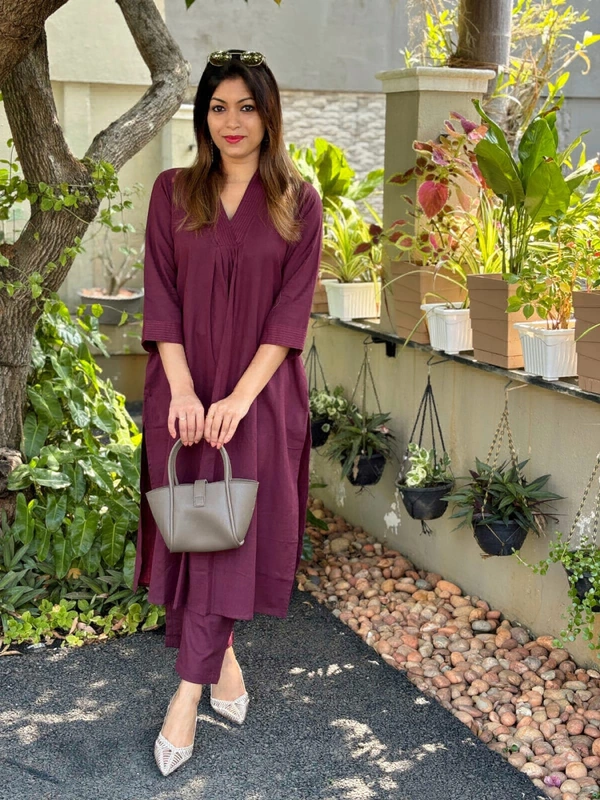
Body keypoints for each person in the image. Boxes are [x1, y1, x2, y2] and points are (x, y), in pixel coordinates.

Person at [131, 48, 323, 776]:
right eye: (218, 107)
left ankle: (186, 696)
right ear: (202, 116)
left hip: (260, 400)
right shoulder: (172, 191)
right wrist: (184, 391)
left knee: (231, 536)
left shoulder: (299, 201)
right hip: (181, 393)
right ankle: (225, 664)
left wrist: (239, 399)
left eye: (246, 107)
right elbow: (161, 295)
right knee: (199, 530)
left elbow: (290, 312)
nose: (232, 121)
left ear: (269, 114)